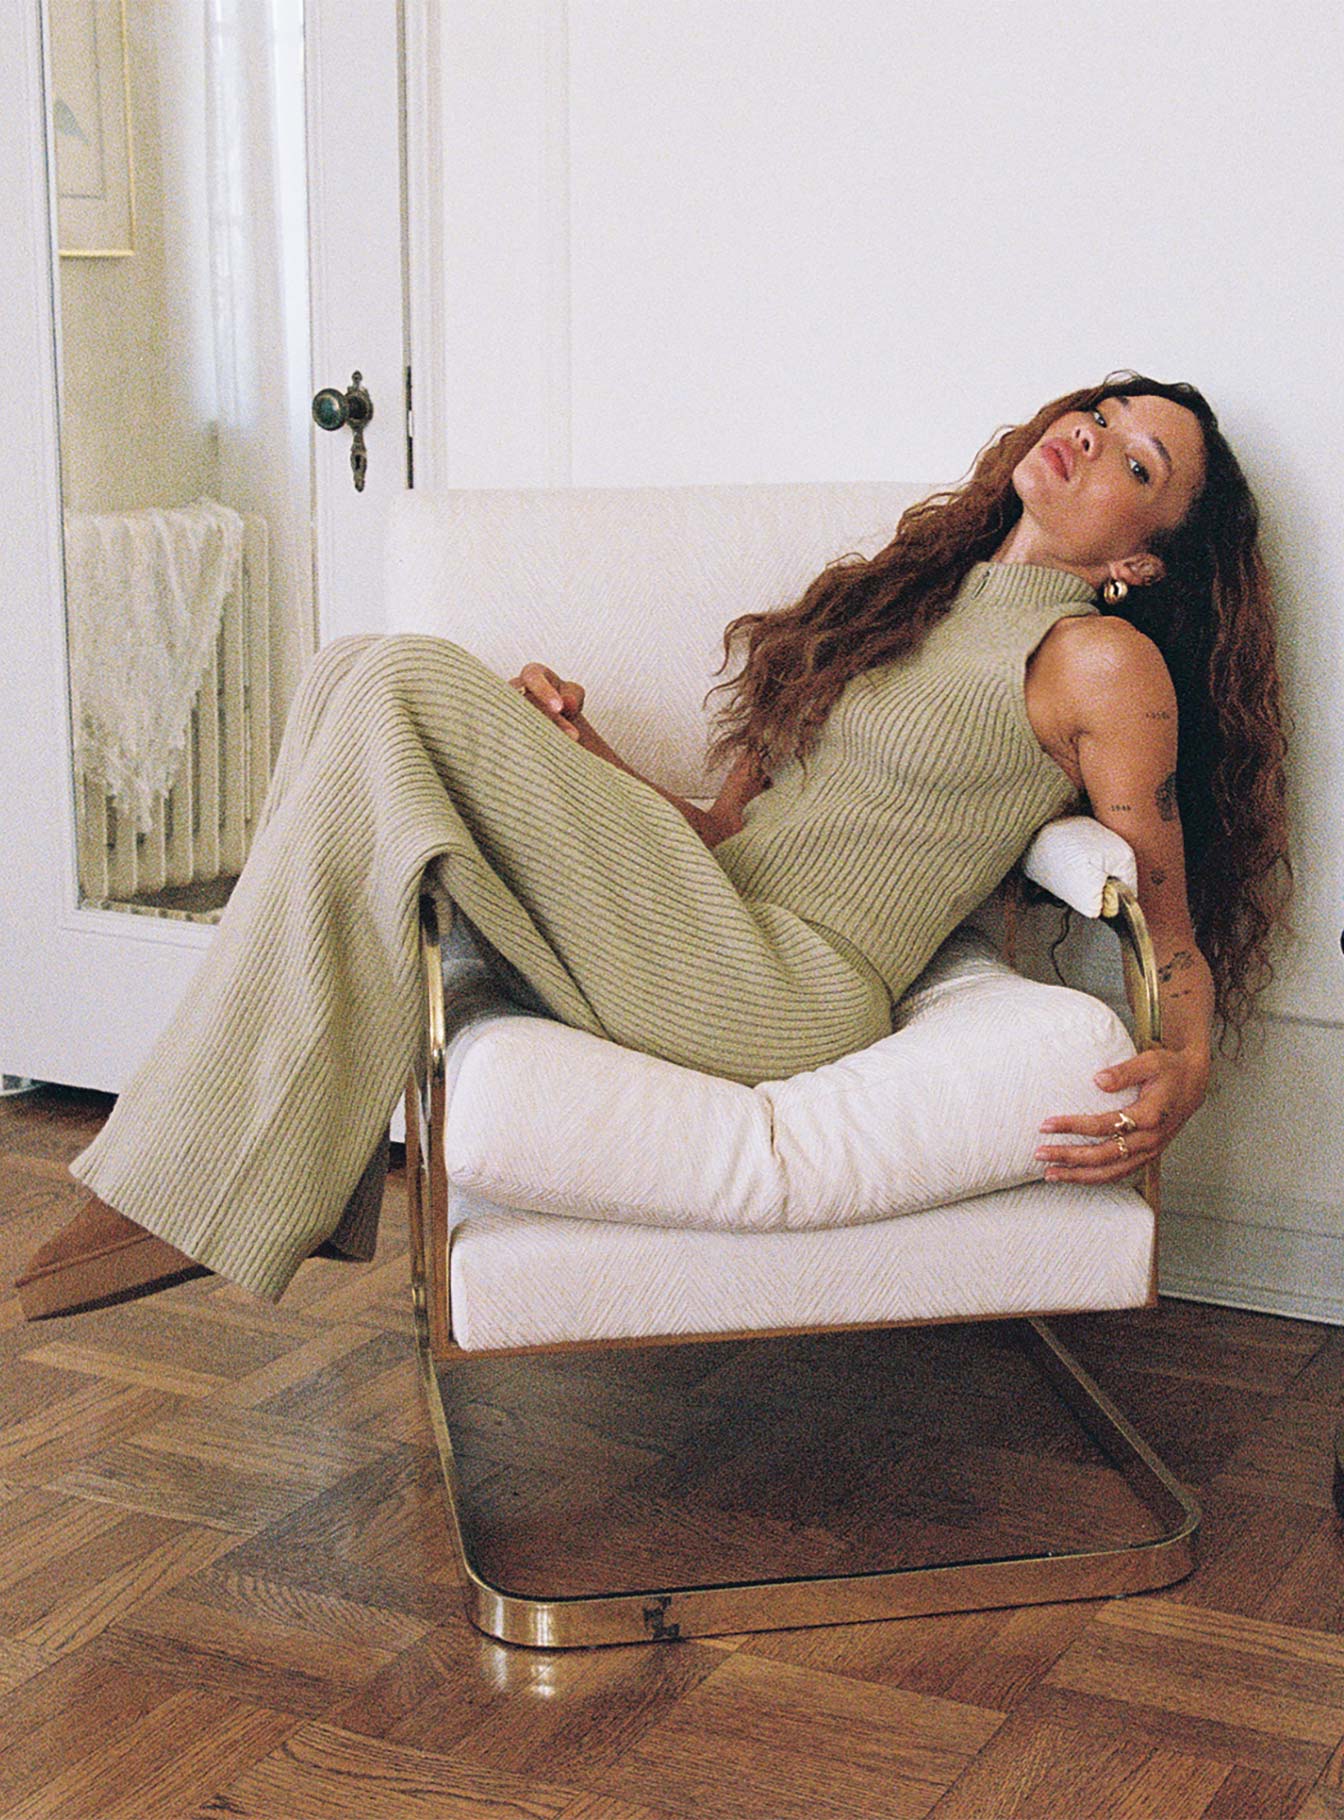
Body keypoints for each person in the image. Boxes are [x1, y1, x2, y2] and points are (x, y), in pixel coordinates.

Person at [16, 372, 1290, 1319]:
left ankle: (210, 1176)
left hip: (791, 987)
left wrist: (1185, 1067)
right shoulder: (908, 597)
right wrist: (579, 761)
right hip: (709, 913)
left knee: (399, 676)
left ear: (1139, 560)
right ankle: (238, 1172)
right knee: (352, 668)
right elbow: (727, 833)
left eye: (1137, 460)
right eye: (1100, 411)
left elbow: (1164, 922)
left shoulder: (1098, 661)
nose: (1093, 435)